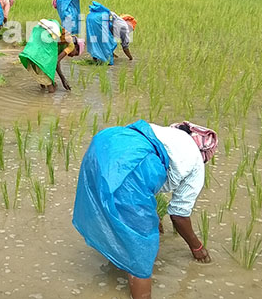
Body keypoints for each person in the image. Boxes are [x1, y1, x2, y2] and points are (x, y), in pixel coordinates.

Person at [73, 120, 218, 299]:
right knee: (142, 251)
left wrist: (153, 216)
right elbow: (179, 215)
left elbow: (146, 179)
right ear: (205, 153)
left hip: (103, 144)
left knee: (109, 212)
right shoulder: (195, 162)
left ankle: (115, 262)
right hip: (133, 166)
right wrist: (198, 248)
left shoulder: (167, 134)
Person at [19, 19, 85, 93]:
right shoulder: (71, 45)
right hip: (46, 33)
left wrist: (61, 78)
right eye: (75, 53)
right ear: (76, 47)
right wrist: (62, 79)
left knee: (39, 64)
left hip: (39, 31)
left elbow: (55, 61)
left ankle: (42, 88)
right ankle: (49, 101)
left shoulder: (61, 42)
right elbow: (55, 61)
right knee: (52, 88)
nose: (72, 56)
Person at [85, 1, 118, 65]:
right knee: (107, 44)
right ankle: (108, 61)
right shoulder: (105, 14)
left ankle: (95, 60)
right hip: (101, 33)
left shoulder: (89, 15)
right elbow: (107, 26)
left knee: (94, 44)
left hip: (92, 33)